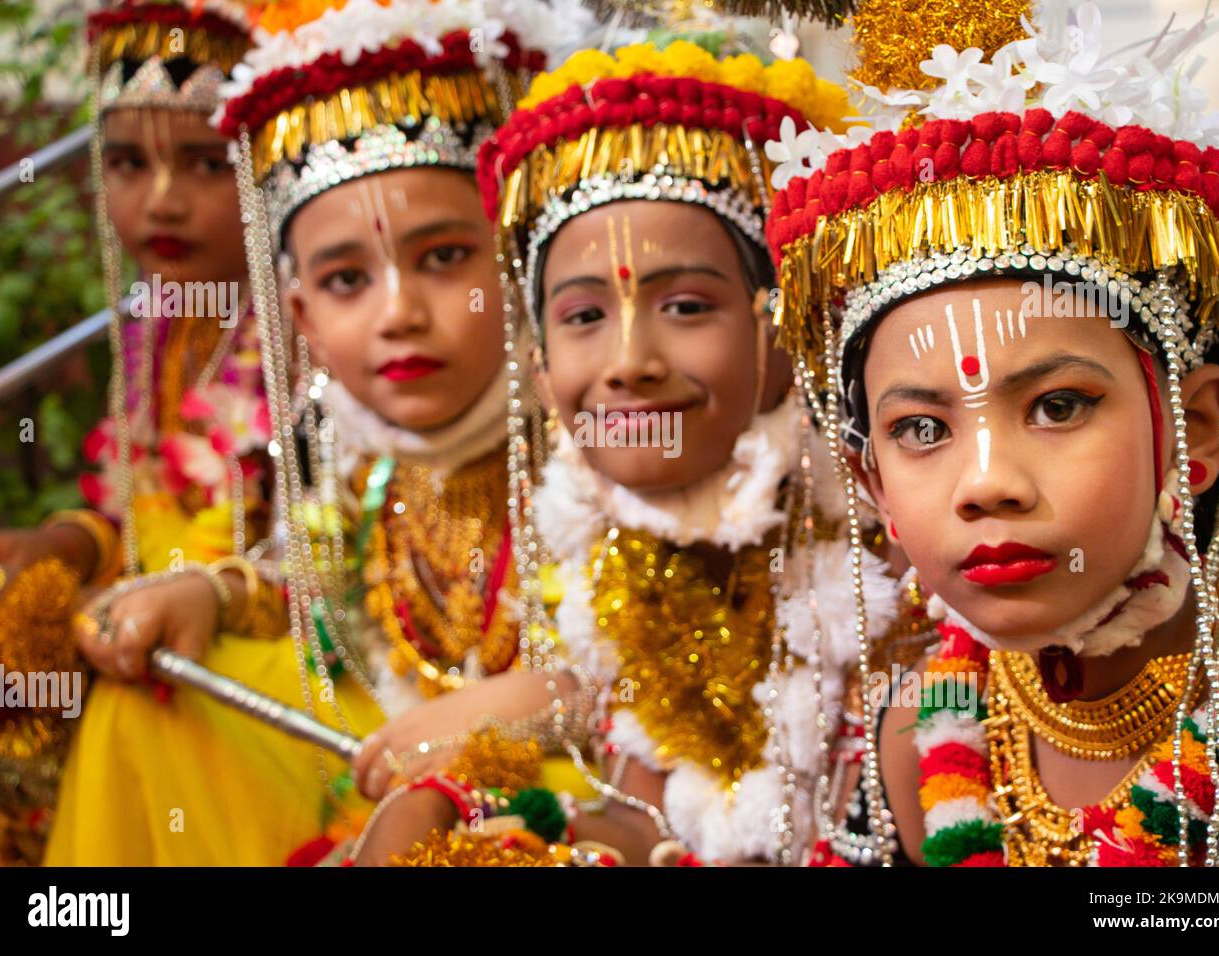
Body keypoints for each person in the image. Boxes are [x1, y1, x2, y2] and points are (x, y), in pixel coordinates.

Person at [343, 28, 914, 867]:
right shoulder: (606, 567)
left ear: (790, 326)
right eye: (583, 317)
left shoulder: (901, 582)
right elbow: (648, 802)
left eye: (685, 306)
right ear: (539, 368)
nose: (629, 365)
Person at [766, 0, 1219, 865]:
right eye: (923, 428)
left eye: (1058, 406)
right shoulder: (916, 730)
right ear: (875, 486)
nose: (986, 482)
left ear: (1192, 429)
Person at [208, 0, 594, 865]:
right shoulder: (346, 459)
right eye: (348, 279)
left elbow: (682, 677)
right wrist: (211, 593)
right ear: (301, 314)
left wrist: (535, 701)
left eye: (445, 258)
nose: (400, 315)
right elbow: (306, 591)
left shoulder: (603, 434)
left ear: (519, 253)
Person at [0, 0, 276, 867]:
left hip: (261, 644)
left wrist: (182, 592)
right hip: (152, 615)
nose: (162, 200)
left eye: (205, 163)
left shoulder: (311, 323)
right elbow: (136, 506)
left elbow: (310, 555)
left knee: (119, 698)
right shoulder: (159, 323)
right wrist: (65, 545)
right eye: (126, 163)